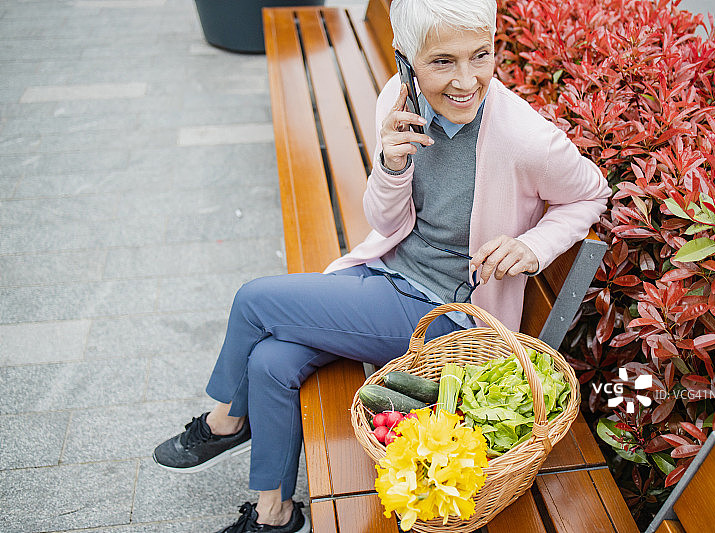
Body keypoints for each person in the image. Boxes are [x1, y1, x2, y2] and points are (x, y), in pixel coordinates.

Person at [152, 0, 611, 531]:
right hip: (388, 273)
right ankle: (274, 514)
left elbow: (589, 194)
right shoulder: (398, 101)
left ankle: (227, 421)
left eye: (480, 56)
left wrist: (535, 246)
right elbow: (382, 218)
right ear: (407, 60)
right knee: (270, 363)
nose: (467, 80)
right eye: (443, 62)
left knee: (255, 300)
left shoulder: (522, 137)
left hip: (445, 315)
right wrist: (391, 166)